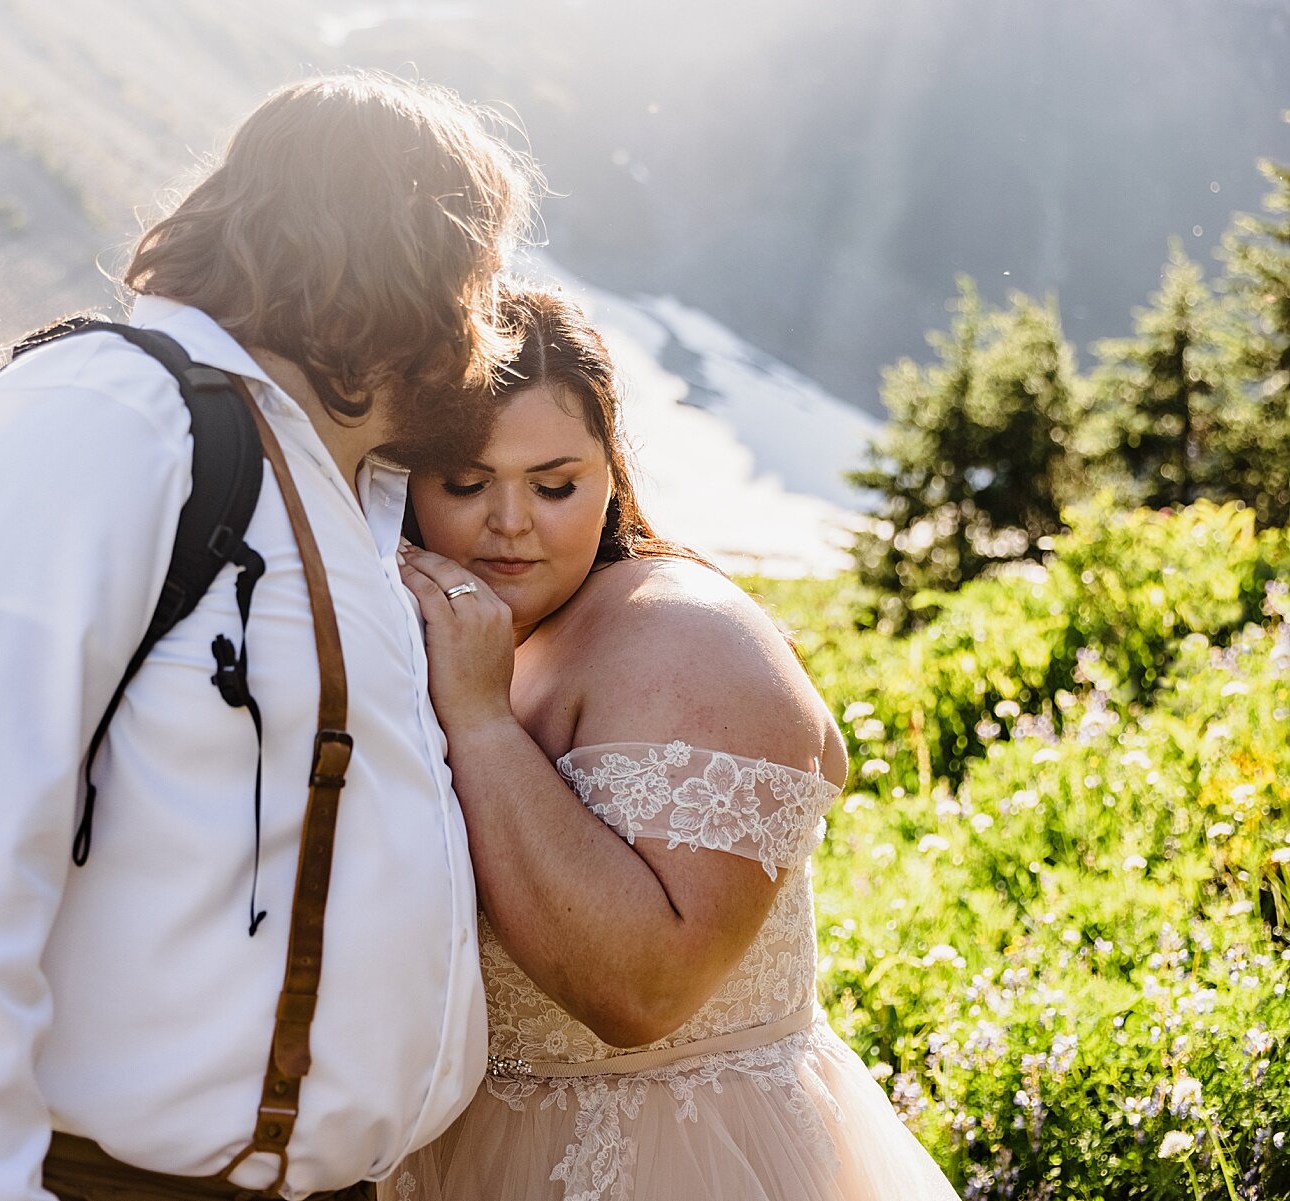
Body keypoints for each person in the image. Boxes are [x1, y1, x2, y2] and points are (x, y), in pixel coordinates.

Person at [0, 72, 536, 1201]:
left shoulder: (339, 488)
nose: (492, 317)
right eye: (483, 274)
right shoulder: (105, 419)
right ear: (410, 262)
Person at [388, 289, 961, 1201]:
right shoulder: (460, 630)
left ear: (611, 470)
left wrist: (482, 721)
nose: (509, 522)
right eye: (465, 483)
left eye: (554, 482)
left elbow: (645, 992)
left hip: (684, 1161)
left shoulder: (688, 638)